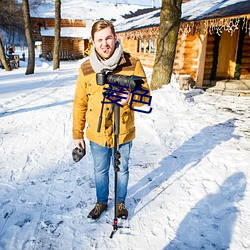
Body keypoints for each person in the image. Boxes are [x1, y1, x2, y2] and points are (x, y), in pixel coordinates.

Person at [72, 20, 150, 220]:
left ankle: (121, 202)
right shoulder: (86, 68)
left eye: (108, 38)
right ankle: (101, 202)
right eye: (99, 40)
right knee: (100, 170)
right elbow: (80, 102)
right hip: (97, 133)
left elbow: (146, 96)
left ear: (115, 38)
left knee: (122, 168)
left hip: (123, 130)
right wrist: (77, 134)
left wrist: (130, 98)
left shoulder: (132, 63)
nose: (104, 43)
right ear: (93, 42)